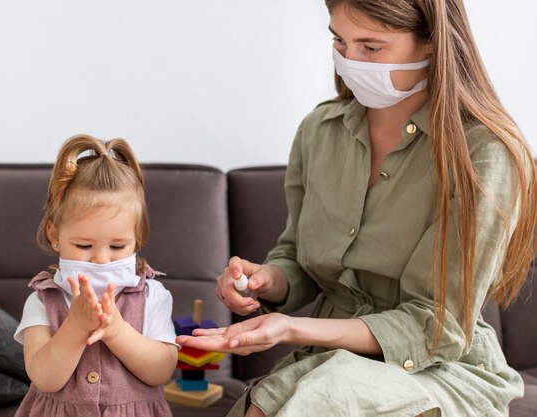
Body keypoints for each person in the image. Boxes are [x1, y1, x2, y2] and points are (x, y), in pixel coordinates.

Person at [177, 1, 536, 416]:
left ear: (433, 44)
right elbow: (297, 256)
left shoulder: (484, 155)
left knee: (321, 398)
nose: (349, 61)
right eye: (339, 41)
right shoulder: (320, 131)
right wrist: (266, 282)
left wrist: (290, 327)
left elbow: (435, 326)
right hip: (330, 359)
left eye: (371, 47)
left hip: (440, 368)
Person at [14, 134, 177, 417]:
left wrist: (117, 331)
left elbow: (161, 370)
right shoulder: (42, 301)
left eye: (117, 246)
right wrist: (75, 327)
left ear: (136, 239)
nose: (101, 258)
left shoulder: (152, 296)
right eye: (84, 246)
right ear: (55, 236)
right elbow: (44, 378)